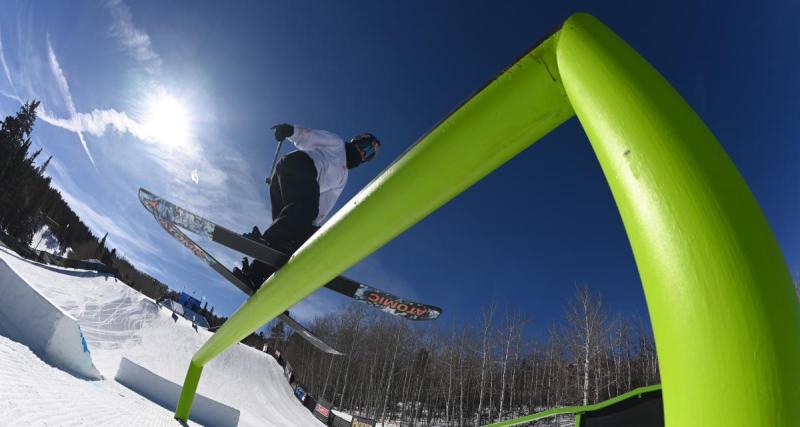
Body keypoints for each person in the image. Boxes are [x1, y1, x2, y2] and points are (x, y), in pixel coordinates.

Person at [233, 123, 380, 290]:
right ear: (356, 141)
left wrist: (310, 231)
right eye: (364, 147)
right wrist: (290, 131)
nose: (362, 153)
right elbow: (309, 136)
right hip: (297, 166)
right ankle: (268, 240)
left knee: (290, 236)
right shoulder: (337, 143)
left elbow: (325, 203)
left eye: (368, 154)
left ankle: (256, 274)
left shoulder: (343, 178)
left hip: (293, 189)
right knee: (302, 213)